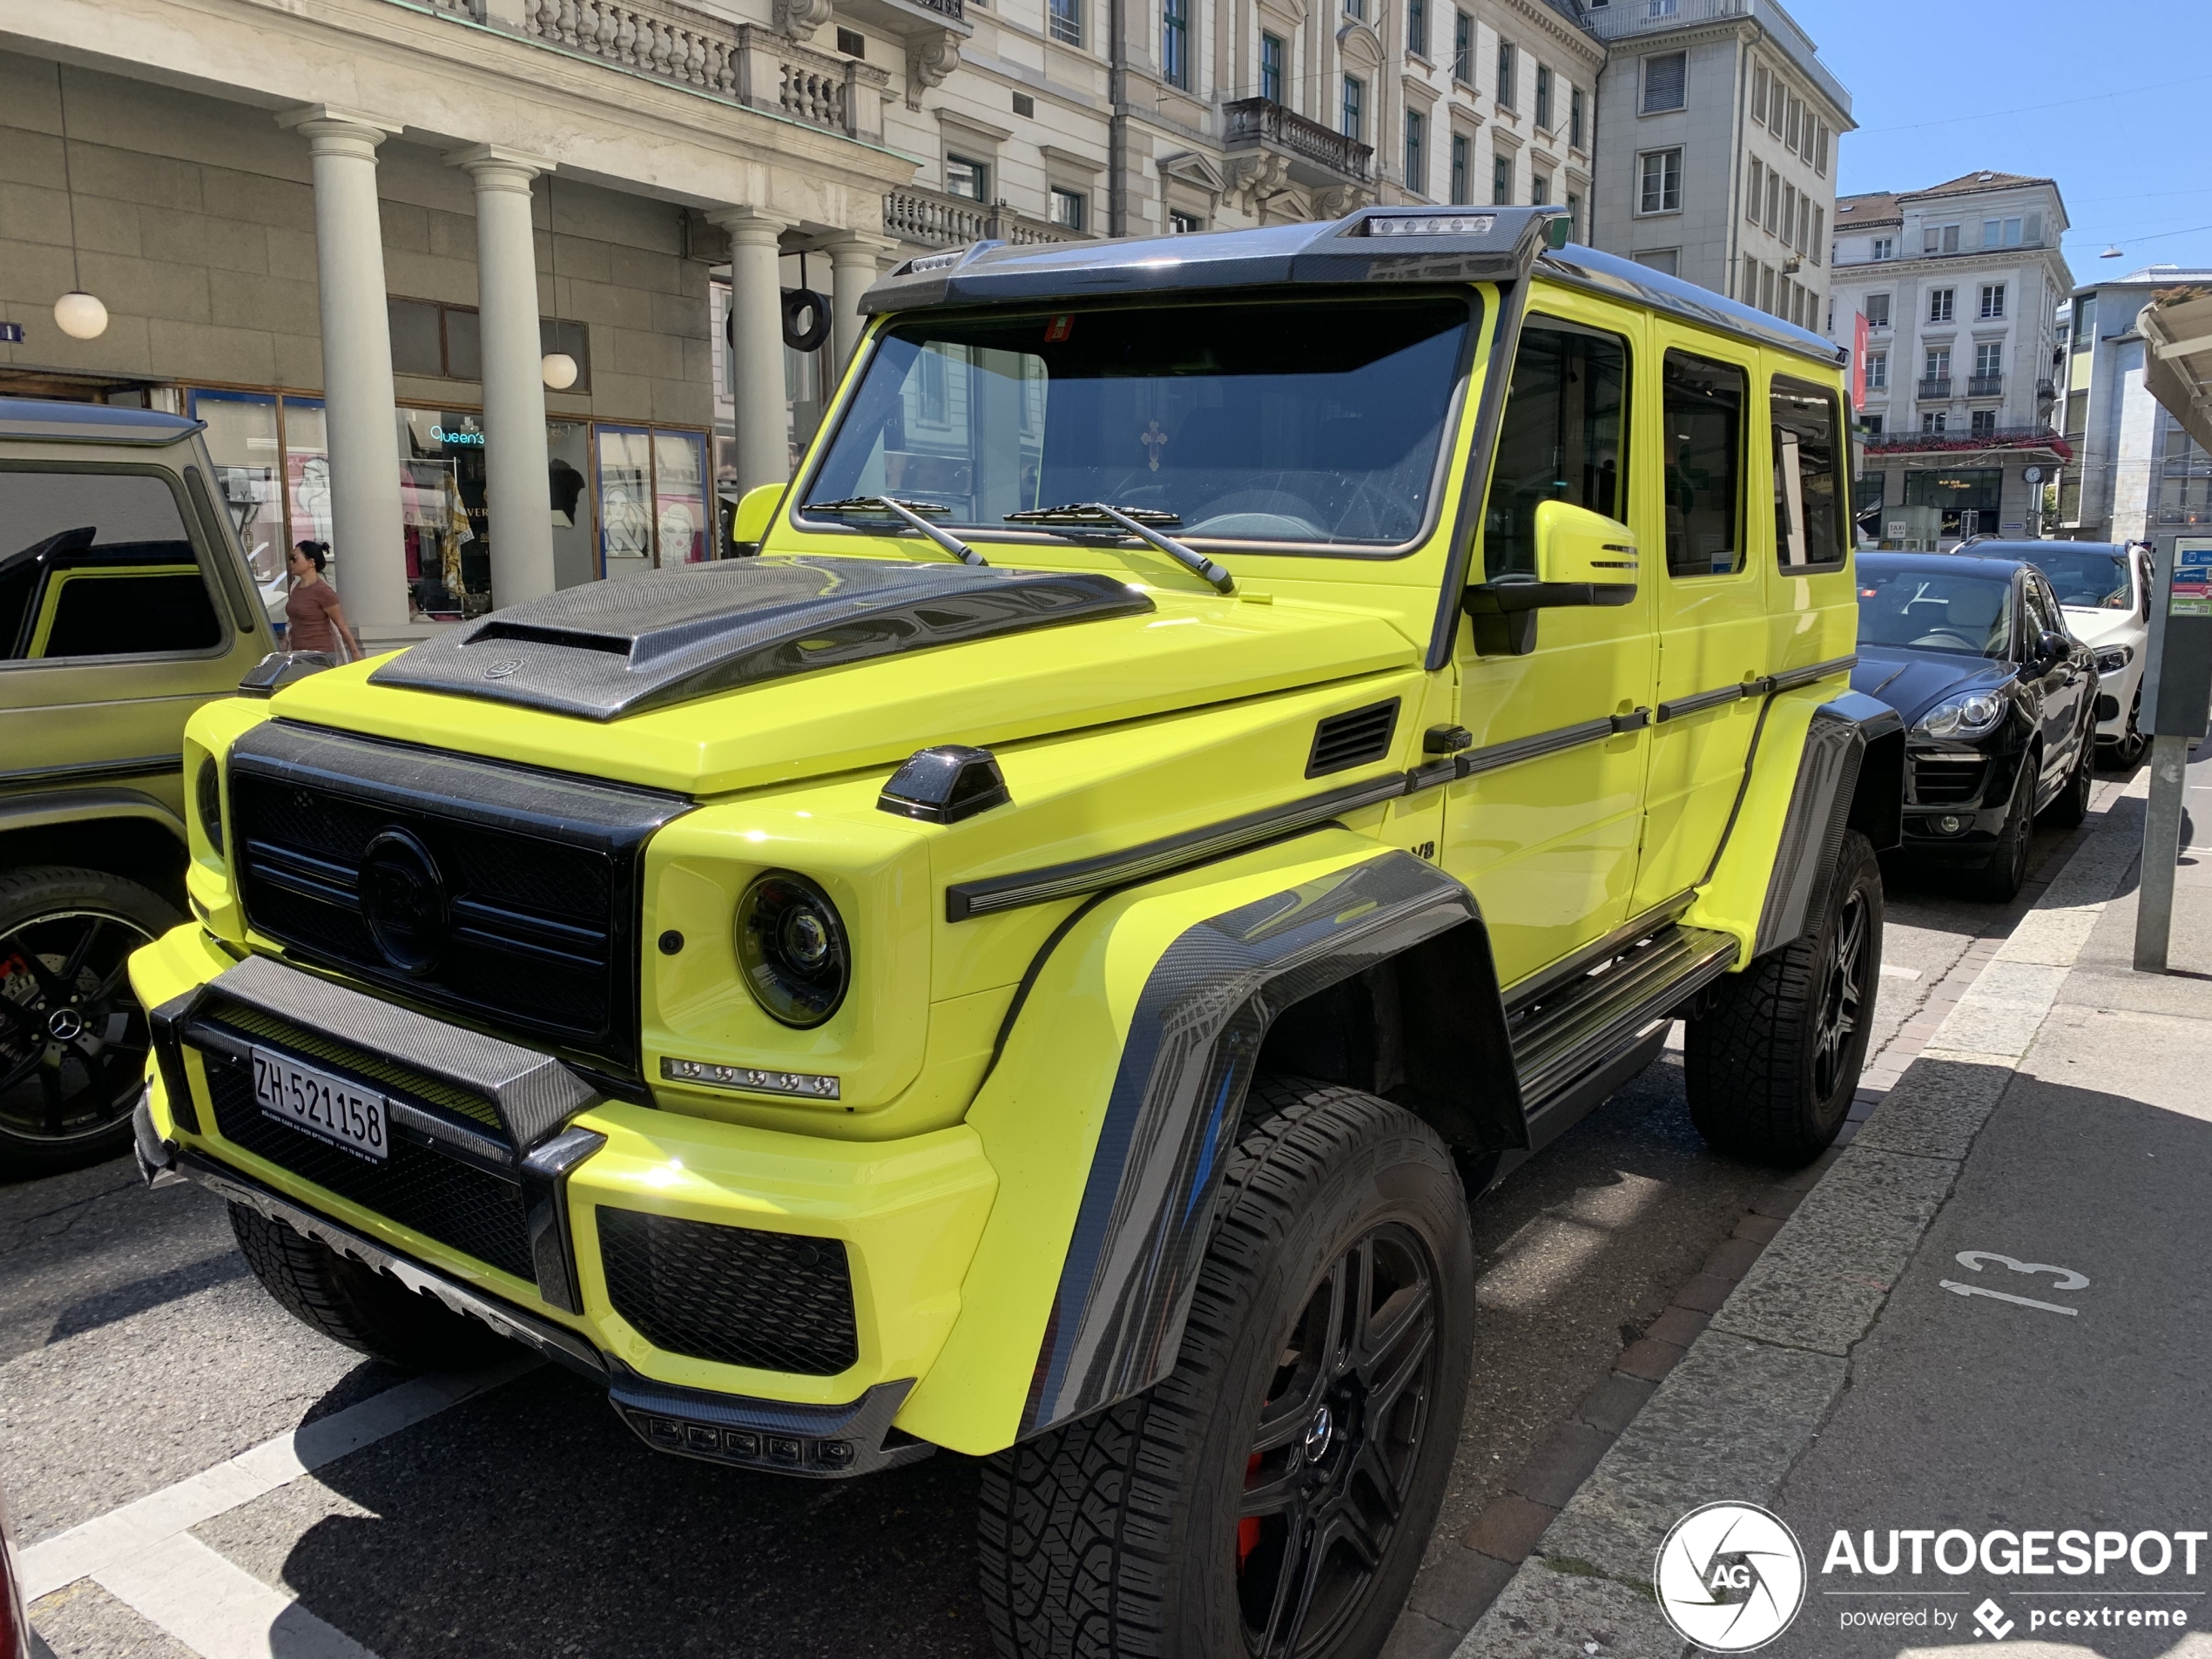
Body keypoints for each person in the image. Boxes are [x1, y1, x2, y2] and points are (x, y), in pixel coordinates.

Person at [284, 541, 363, 660]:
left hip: (319, 656)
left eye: (295, 559)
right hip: (297, 655)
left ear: (311, 562)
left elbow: (341, 625)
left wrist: (355, 653)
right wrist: (283, 648)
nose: (291, 562)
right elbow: (293, 623)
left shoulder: (323, 592)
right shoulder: (295, 588)